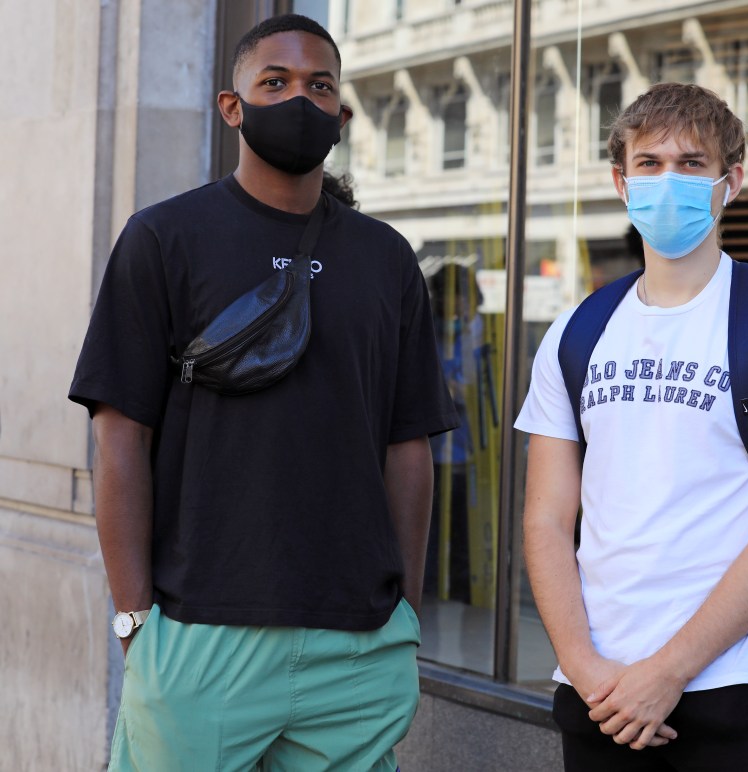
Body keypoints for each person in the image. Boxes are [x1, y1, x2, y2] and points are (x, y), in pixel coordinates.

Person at [69, 13, 457, 771]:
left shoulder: (386, 260)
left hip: (357, 646)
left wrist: (403, 614)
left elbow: (408, 445)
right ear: (231, 106)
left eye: (320, 86)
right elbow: (120, 434)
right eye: (274, 82)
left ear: (342, 116)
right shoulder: (164, 239)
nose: (298, 100)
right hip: (201, 636)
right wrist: (132, 618)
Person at [515, 82, 748, 771]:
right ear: (621, 181)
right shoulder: (576, 331)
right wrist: (585, 670)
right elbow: (546, 520)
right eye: (649, 164)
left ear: (730, 182)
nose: (667, 180)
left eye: (691, 163)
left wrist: (667, 672)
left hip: (741, 695)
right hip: (601, 696)